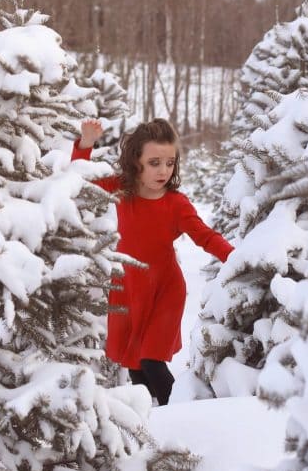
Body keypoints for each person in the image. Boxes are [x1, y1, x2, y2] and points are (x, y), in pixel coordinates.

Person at [72, 117, 233, 405]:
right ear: (137, 162)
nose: (164, 170)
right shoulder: (122, 189)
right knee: (135, 366)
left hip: (164, 290)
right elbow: (81, 179)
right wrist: (85, 143)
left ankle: (183, 416)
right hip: (128, 288)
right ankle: (153, 424)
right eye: (155, 162)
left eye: (169, 162)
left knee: (151, 360)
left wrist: (235, 258)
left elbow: (205, 236)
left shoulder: (176, 204)